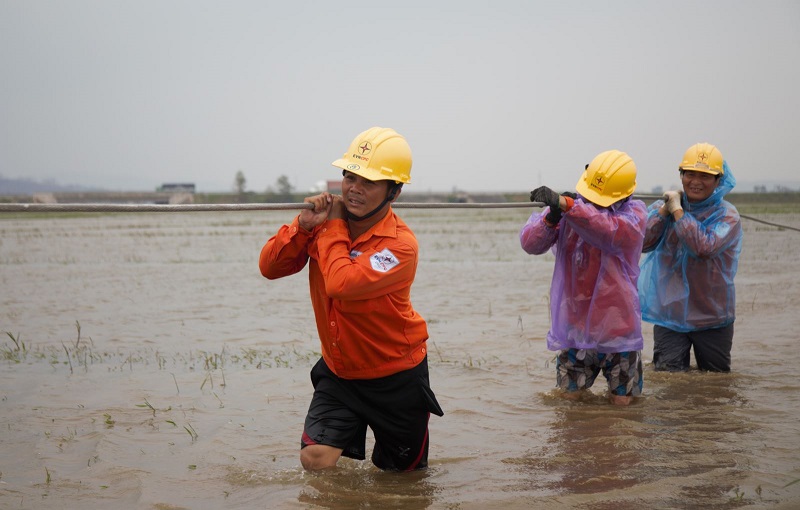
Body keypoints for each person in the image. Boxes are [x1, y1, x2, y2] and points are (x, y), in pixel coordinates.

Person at [259, 127, 443, 472]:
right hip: (340, 371)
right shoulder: (321, 227)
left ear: (395, 191)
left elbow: (341, 283)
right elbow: (270, 267)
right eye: (349, 176)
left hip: (397, 376)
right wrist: (302, 225)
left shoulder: (400, 247)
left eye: (369, 182)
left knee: (402, 481)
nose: (355, 188)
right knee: (314, 458)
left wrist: (330, 227)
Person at [520, 150, 648, 406]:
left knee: (623, 409)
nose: (593, 202)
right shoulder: (572, 210)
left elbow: (607, 230)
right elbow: (530, 243)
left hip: (618, 331)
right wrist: (552, 216)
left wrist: (569, 206)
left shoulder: (634, 214)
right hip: (575, 330)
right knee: (569, 404)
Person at [639, 143, 743, 372]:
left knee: (716, 383)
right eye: (690, 174)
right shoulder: (663, 206)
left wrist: (678, 212)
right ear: (681, 175)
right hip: (670, 315)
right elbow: (642, 243)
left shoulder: (728, 216)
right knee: (669, 379)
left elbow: (703, 248)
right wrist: (663, 213)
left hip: (713, 317)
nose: (696, 181)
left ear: (718, 180)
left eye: (705, 176)